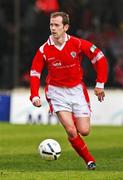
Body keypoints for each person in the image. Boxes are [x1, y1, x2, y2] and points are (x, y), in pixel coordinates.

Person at [30, 11, 108, 170]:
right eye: (51, 25)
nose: (53, 28)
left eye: (57, 25)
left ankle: (72, 118)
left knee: (84, 131)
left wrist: (100, 84)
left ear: (66, 27)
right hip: (56, 92)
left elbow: (100, 58)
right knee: (72, 131)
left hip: (77, 91)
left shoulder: (77, 44)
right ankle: (90, 161)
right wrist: (34, 95)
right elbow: (35, 73)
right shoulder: (44, 49)